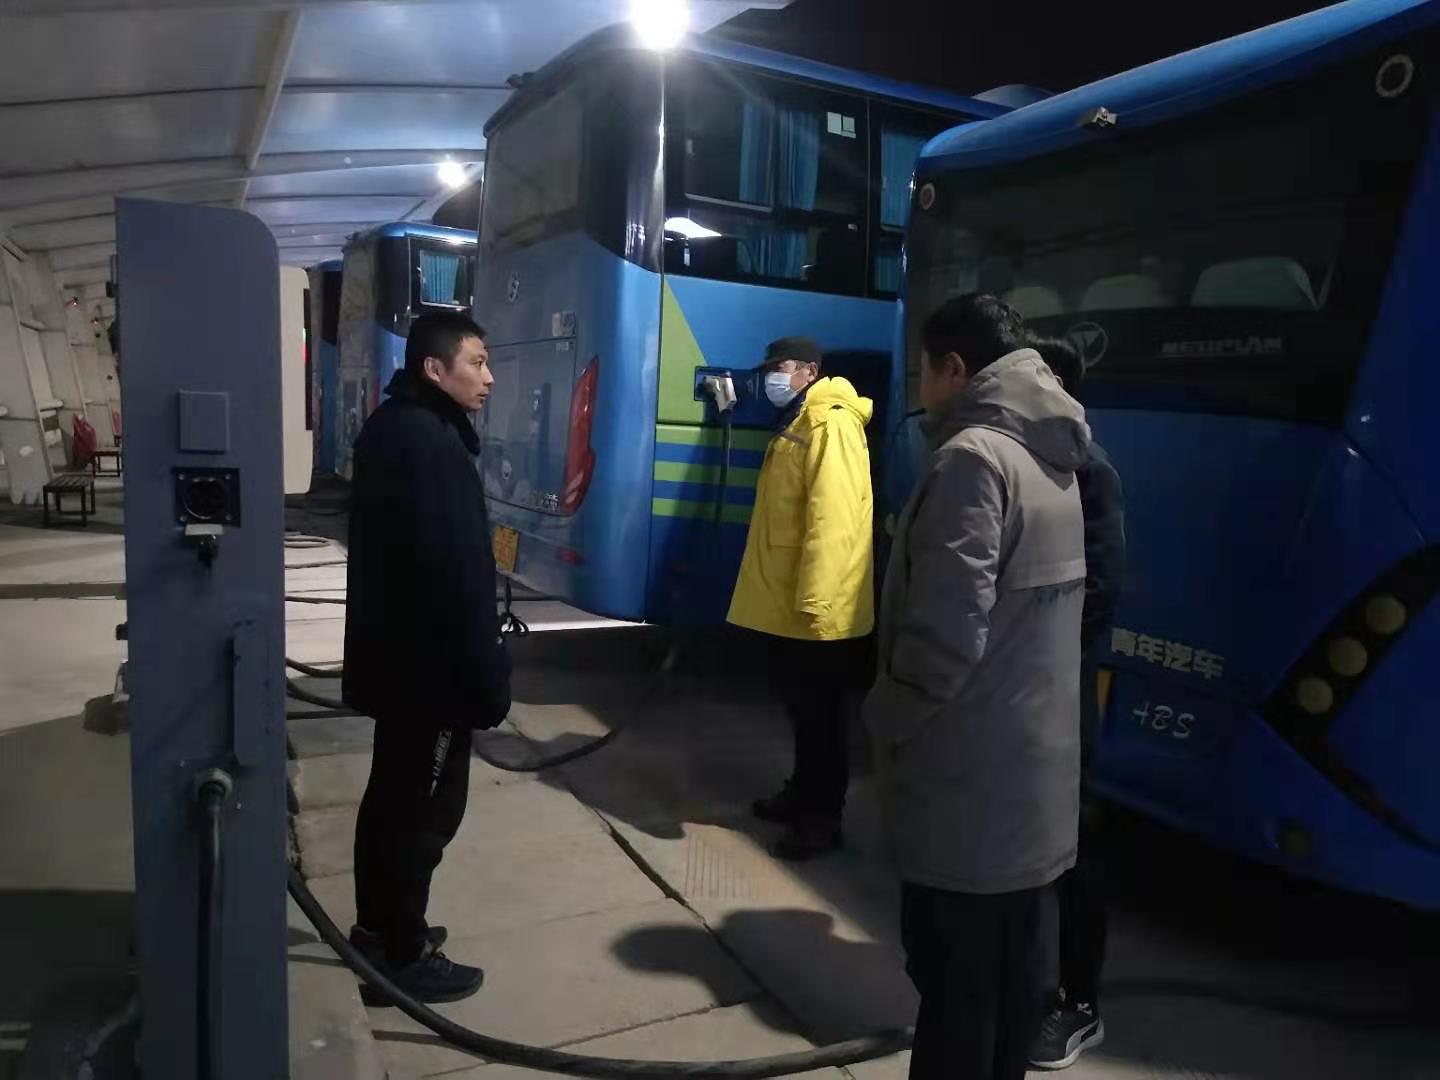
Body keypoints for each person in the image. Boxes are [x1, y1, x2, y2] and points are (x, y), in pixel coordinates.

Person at [865, 295, 1090, 1080]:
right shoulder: (1055, 451)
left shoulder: (973, 460)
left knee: (956, 992)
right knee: (1013, 986)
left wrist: (883, 721)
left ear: (954, 369)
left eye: (924, 373)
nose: (921, 390)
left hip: (969, 783)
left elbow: (943, 640)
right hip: (1034, 778)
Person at [343, 312, 512, 1003]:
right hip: (429, 675)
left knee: (391, 799)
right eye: (477, 362)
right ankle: (401, 955)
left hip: (402, 664)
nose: (489, 377)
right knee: (422, 812)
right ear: (434, 370)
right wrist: (485, 674)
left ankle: (378, 931)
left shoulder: (398, 428)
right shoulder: (428, 442)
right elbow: (455, 573)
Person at [729, 336, 875, 860]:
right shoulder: (798, 420)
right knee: (802, 711)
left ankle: (822, 820)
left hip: (816, 607)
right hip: (792, 605)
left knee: (823, 719)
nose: (774, 375)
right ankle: (801, 793)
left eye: (782, 366)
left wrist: (819, 599)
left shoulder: (830, 423)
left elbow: (835, 518)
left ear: (810, 371)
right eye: (770, 367)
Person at [1026, 335, 1126, 1071]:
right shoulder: (1019, 464)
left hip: (1059, 691)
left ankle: (1080, 1002)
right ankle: (1027, 982)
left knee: (1075, 843)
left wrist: (1034, 656)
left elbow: (1100, 590)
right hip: (1017, 694)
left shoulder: (1089, 472)